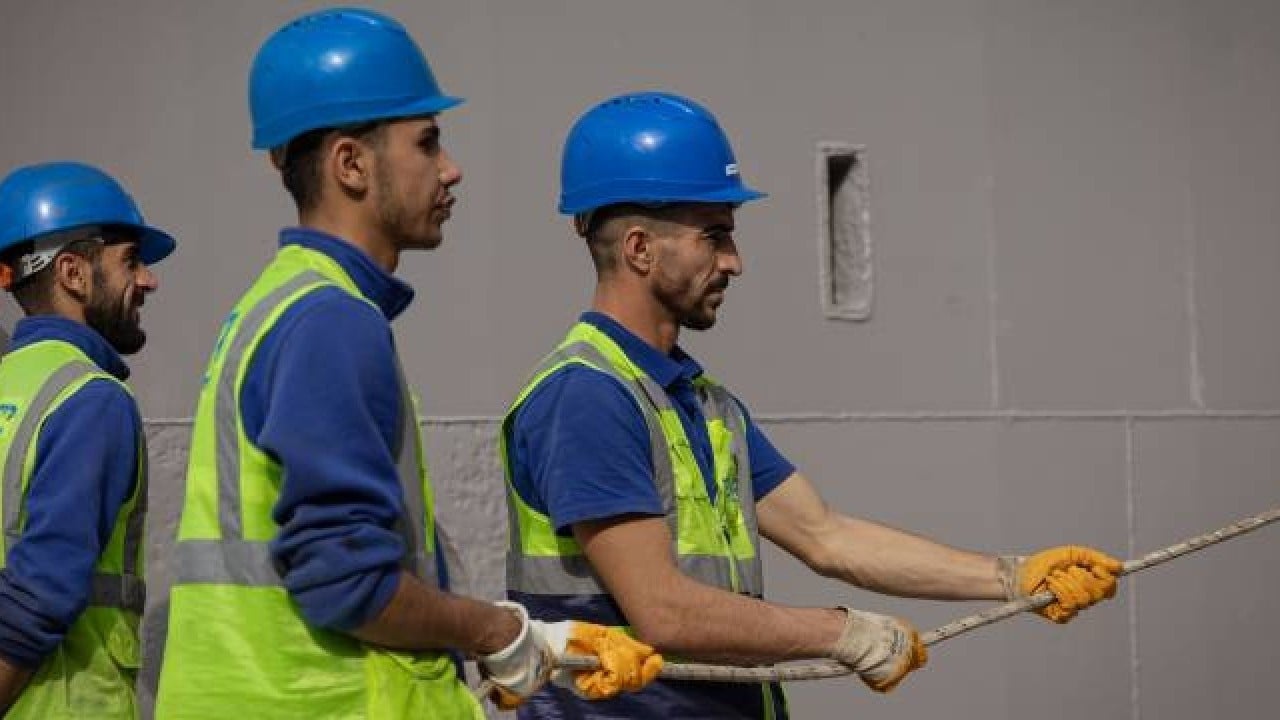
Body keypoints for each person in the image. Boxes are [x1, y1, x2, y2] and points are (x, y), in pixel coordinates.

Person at [501, 91, 1124, 719]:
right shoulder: (586, 396)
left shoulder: (703, 403)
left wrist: (1012, 577)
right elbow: (663, 610)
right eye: (714, 237)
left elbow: (827, 535)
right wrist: (841, 633)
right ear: (639, 249)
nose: (734, 263)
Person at [153, 9, 659, 719]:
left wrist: (511, 642)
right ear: (351, 165)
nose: (451, 169)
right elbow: (346, 583)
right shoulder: (332, 321)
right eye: (427, 143)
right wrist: (500, 630)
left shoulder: (279, 304)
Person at [0, 161, 175, 718]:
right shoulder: (91, 399)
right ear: (74, 274)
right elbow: (38, 598)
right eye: (130, 261)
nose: (149, 280)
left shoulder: (12, 385)